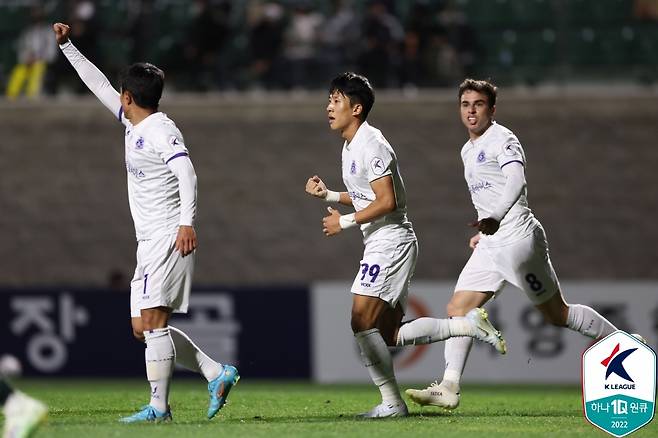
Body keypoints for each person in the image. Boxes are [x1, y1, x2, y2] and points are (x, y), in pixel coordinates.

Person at [52, 22, 239, 423]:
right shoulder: (134, 122)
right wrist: (68, 47)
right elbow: (98, 85)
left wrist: (187, 223)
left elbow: (187, 173)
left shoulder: (159, 130)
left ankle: (159, 408)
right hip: (149, 240)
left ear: (129, 96)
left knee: (153, 322)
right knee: (142, 327)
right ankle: (215, 372)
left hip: (168, 237)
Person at [406, 79, 619, 410]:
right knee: (457, 310)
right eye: (465, 104)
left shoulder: (503, 139)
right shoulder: (467, 149)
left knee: (557, 314)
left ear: (492, 109)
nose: (471, 110)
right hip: (492, 243)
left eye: (478, 104)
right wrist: (484, 228)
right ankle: (449, 386)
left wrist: (496, 217)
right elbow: (489, 193)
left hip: (519, 240)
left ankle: (623, 344)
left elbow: (517, 180)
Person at [305, 72, 506, 418]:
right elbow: (364, 196)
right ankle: (468, 325)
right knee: (389, 333)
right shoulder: (351, 145)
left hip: (391, 242)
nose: (329, 107)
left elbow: (387, 202)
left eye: (335, 100)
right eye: (329, 99)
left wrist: (344, 222)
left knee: (359, 320)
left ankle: (392, 403)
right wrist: (331, 195)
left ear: (356, 108)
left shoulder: (372, 144)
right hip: (383, 242)